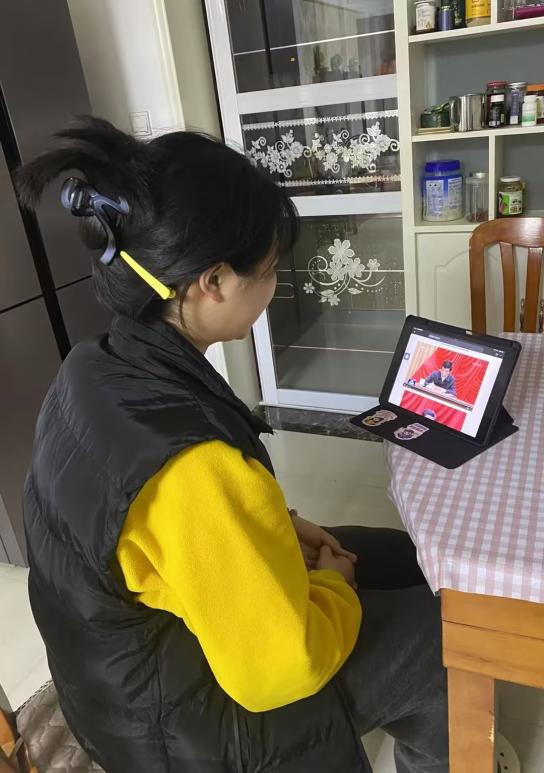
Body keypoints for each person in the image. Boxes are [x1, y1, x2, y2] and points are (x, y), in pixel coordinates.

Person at [18, 117, 448, 773]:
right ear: (212, 281)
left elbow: (163, 539)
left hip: (113, 669)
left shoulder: (95, 364)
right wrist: (333, 586)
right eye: (268, 270)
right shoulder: (192, 466)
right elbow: (278, 671)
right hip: (171, 723)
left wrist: (283, 526)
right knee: (439, 636)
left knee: (401, 554)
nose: (273, 286)